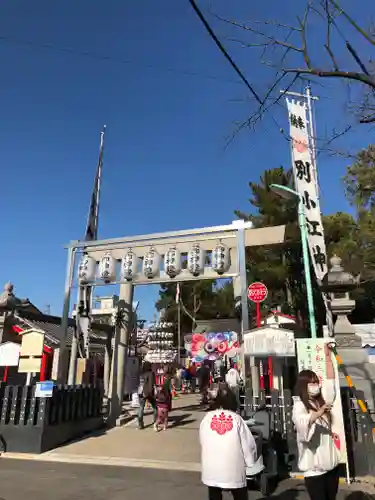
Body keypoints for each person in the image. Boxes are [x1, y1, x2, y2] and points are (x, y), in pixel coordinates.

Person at [292, 350, 340, 500]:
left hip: (331, 465)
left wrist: (328, 357)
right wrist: (318, 413)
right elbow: (302, 425)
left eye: (316, 382)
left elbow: (331, 384)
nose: (315, 385)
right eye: (311, 383)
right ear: (303, 385)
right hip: (314, 470)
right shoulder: (299, 405)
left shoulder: (321, 400)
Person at [199, 384, 257, 500]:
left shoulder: (207, 418)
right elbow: (247, 443)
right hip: (233, 465)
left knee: (214, 493)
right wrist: (251, 461)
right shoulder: (236, 419)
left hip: (212, 464)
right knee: (239, 494)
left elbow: (202, 439)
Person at [137, 361, 157, 430]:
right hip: (149, 392)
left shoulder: (141, 373)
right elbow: (151, 384)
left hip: (141, 392)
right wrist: (151, 393)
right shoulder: (151, 373)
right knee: (155, 407)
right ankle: (155, 422)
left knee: (141, 407)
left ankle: (140, 424)